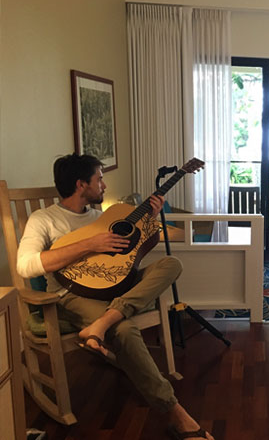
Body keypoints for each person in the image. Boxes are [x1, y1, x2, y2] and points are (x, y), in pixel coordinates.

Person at [17, 153, 213, 440]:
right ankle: (175, 413)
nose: (104, 186)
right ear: (81, 184)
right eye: (100, 179)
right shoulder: (44, 219)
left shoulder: (103, 217)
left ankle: (104, 322)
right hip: (71, 294)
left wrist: (151, 219)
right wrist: (89, 244)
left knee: (172, 264)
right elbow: (25, 265)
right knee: (124, 330)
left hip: (115, 288)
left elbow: (127, 257)